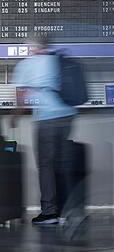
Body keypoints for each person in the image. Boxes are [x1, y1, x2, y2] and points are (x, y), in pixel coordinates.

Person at [10, 33, 77, 226]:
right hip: (67, 115)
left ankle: (49, 212)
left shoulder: (28, 64)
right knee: (63, 163)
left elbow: (22, 97)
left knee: (46, 164)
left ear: (33, 47)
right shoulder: (58, 61)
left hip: (47, 119)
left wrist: (15, 116)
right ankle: (70, 210)